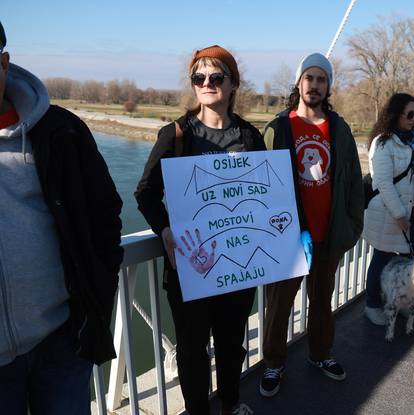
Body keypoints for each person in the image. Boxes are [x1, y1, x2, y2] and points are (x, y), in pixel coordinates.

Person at [0, 21, 123, 414]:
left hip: (62, 341)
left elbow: (106, 212)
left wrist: (96, 297)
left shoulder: (61, 130)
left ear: (4, 63)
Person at [135, 45, 262, 415]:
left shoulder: (250, 137)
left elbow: (264, 200)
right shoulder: (175, 135)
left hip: (238, 264)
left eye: (216, 76)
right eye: (199, 77)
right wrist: (164, 231)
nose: (207, 83)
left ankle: (231, 403)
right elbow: (145, 194)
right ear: (193, 85)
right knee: (191, 348)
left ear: (233, 83)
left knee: (231, 344)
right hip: (190, 265)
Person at [259, 52, 364, 397]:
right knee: (279, 307)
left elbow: (350, 182)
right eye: (309, 78)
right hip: (286, 238)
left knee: (322, 302)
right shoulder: (278, 128)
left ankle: (320, 354)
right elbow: (260, 183)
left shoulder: (339, 128)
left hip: (327, 235)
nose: (315, 85)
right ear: (299, 82)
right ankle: (274, 362)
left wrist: (350, 225)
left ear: (328, 85)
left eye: (321, 79)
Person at [362, 93, 414, 325]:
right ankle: (372, 304)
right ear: (396, 114)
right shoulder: (384, 142)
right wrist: (399, 214)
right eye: (409, 114)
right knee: (381, 260)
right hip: (387, 213)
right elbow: (383, 182)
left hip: (410, 211)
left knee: (407, 262)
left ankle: (400, 301)